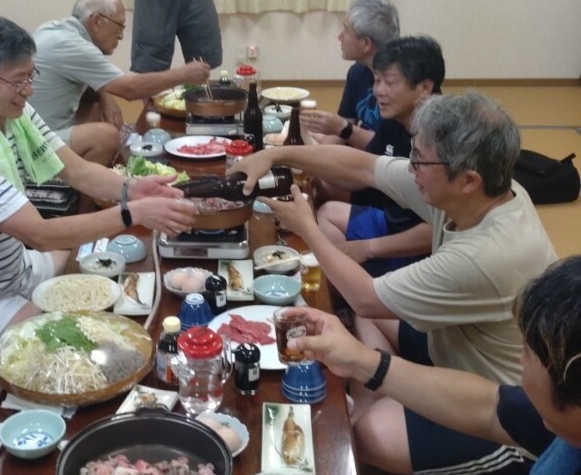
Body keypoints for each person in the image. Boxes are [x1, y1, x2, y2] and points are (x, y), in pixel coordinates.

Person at [229, 92, 557, 473]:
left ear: (469, 180)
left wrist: (307, 226)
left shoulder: (486, 254)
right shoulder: (486, 193)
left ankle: (372, 411)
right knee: (363, 316)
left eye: (420, 159)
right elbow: (365, 167)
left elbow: (367, 298)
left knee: (369, 432)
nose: (410, 166)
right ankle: (379, 397)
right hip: (451, 346)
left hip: (500, 408)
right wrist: (274, 155)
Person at [0, 15, 195, 355]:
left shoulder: (13, 114)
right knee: (73, 338)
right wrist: (133, 213)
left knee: (85, 265)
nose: (28, 90)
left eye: (30, 76)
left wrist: (132, 189)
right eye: (18, 80)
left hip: (14, 265)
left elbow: (77, 170)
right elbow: (39, 234)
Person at [288, 255, 581, 474]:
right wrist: (361, 361)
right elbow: (490, 408)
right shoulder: (555, 421)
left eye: (529, 355)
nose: (521, 361)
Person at [30, 0, 211, 164]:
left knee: (96, 108)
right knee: (107, 137)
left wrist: (105, 97)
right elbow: (130, 89)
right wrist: (183, 74)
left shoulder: (56, 30)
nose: (121, 36)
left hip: (32, 129)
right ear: (97, 22)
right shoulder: (73, 46)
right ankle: (85, 191)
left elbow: (91, 77)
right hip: (32, 144)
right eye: (120, 26)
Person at [316, 36, 445, 277]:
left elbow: (438, 229)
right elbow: (364, 173)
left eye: (390, 83)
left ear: (425, 88)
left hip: (421, 249)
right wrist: (308, 161)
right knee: (327, 212)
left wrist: (369, 248)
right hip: (392, 218)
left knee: (367, 315)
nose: (379, 92)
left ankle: (364, 287)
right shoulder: (395, 118)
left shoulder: (442, 138)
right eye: (377, 81)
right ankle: (348, 284)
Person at [302, 0, 400, 143]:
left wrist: (342, 128)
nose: (339, 37)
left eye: (346, 30)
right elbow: (339, 136)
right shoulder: (358, 72)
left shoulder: (402, 82)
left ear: (366, 43)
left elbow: (388, 149)